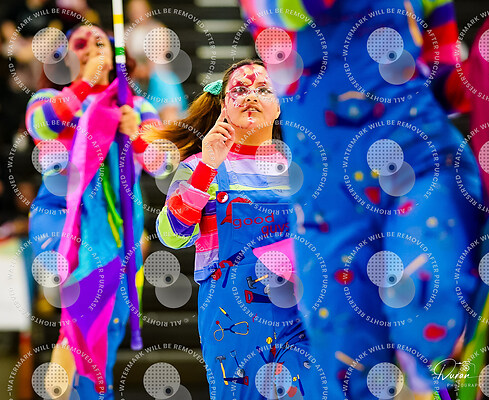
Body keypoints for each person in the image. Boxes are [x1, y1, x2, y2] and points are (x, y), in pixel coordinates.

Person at [239, 0, 485, 399]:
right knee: (348, 358)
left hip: (417, 156)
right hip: (327, 198)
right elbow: (285, 21)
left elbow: (445, 80)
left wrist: (483, 75)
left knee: (429, 300)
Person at [150, 59, 320, 399]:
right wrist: (208, 167)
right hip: (231, 320)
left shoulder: (302, 168)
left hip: (298, 312)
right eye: (239, 90)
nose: (251, 96)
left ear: (279, 106)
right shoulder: (199, 167)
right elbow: (172, 235)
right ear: (223, 105)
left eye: (264, 89)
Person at [25, 23, 159, 399]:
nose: (89, 49)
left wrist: (137, 135)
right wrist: (85, 85)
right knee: (79, 314)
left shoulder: (136, 107)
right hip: (61, 220)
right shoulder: (49, 99)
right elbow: (41, 126)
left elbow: (161, 163)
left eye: (99, 42)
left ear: (115, 57)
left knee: (107, 331)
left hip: (116, 229)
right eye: (79, 44)